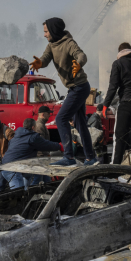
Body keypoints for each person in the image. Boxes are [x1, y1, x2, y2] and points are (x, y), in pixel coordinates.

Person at [29, 17, 94, 166]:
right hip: (74, 88)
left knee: (61, 119)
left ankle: (69, 157)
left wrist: (78, 63)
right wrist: (40, 63)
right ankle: (91, 158)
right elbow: (45, 58)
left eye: (46, 31)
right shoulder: (52, 45)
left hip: (80, 86)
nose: (44, 35)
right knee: (80, 123)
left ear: (53, 31)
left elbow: (81, 55)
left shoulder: (68, 43)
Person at [0, 118, 64, 191]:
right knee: (18, 192)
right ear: (33, 127)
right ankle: (25, 197)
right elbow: (47, 145)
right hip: (12, 168)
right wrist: (60, 146)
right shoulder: (33, 137)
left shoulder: (17, 135)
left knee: (31, 174)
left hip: (5, 165)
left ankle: (28, 192)